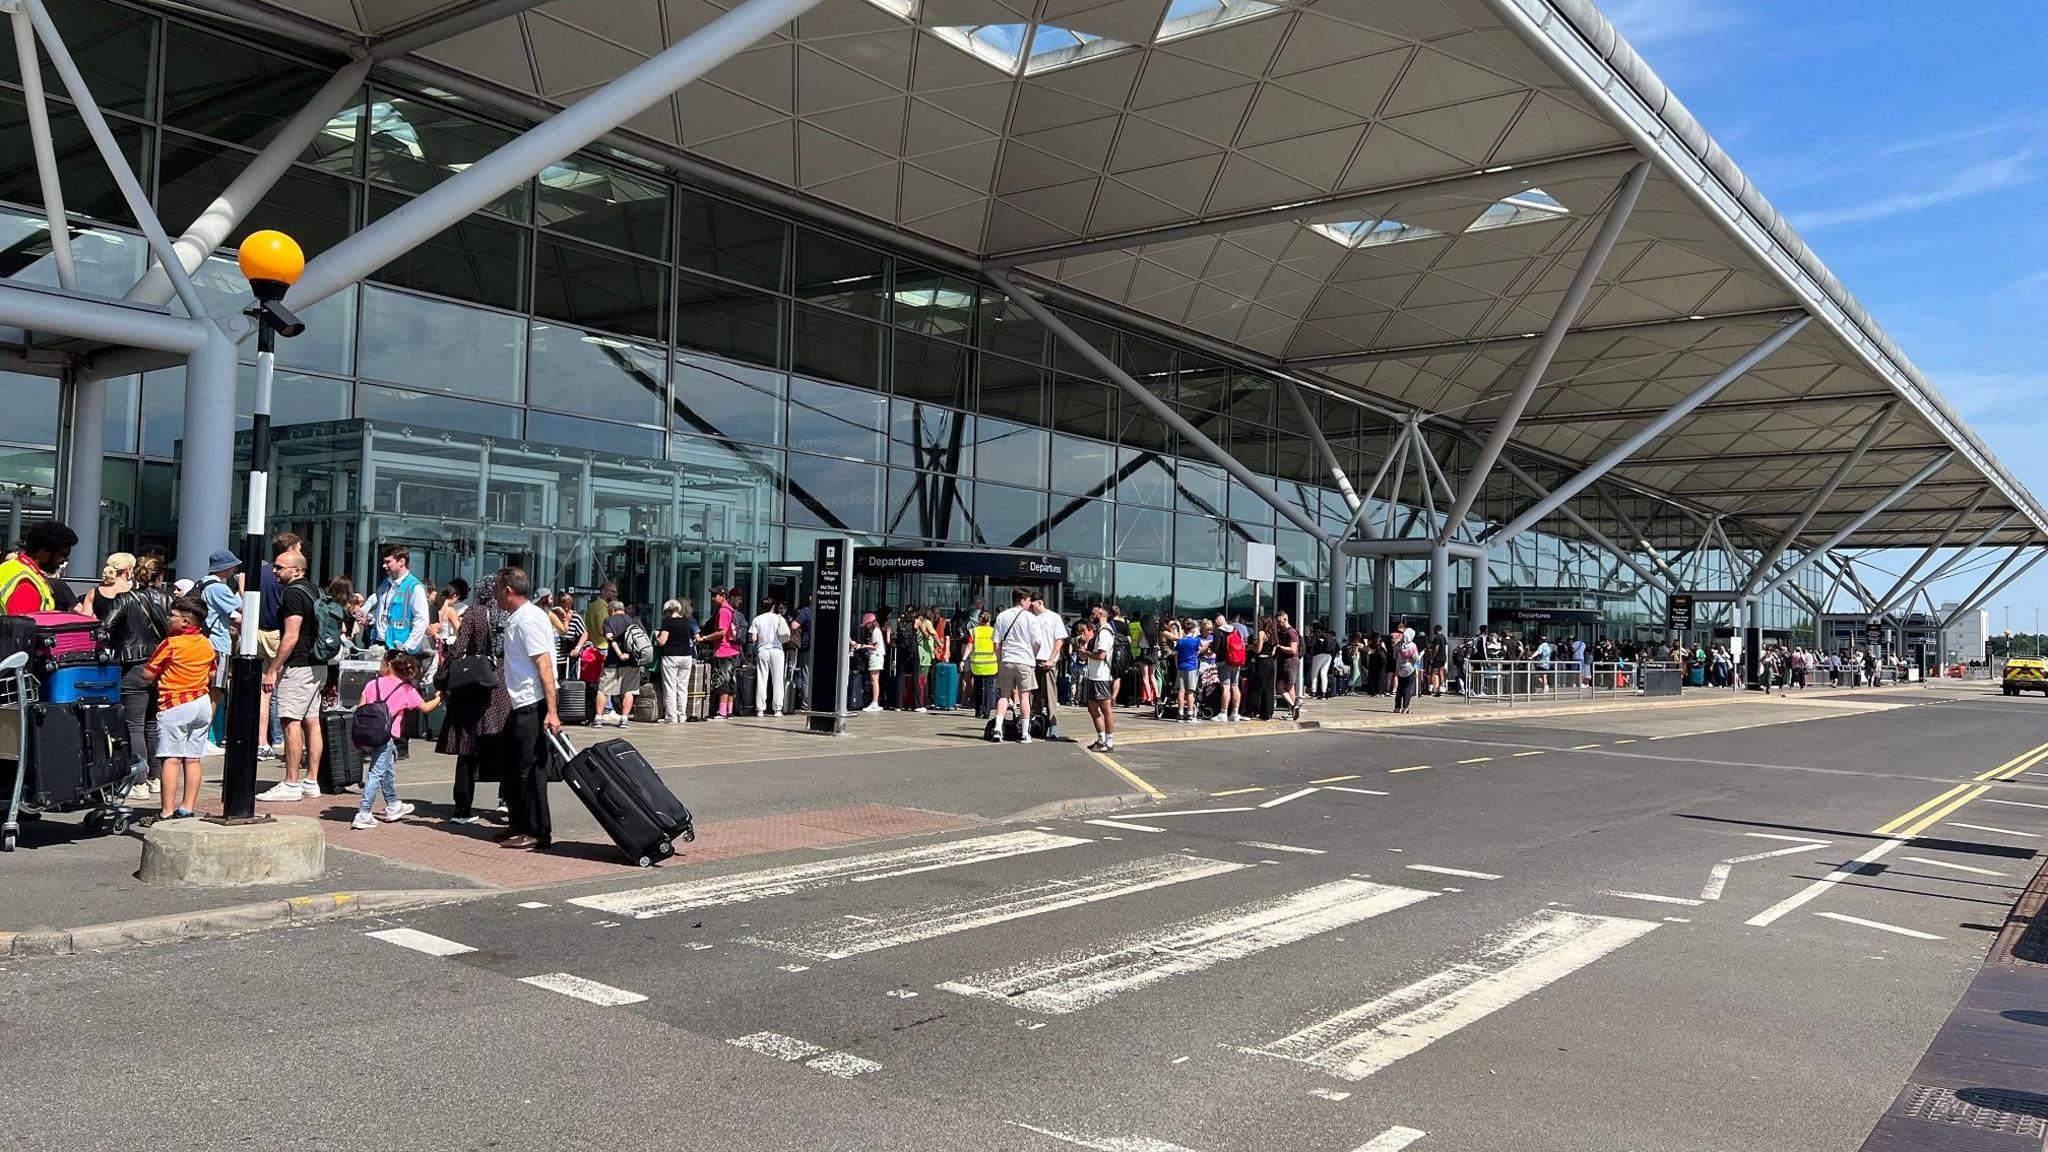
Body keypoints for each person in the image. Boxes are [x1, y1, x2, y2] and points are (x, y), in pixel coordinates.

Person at [493, 568, 559, 851]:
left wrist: (552, 711)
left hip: (532, 703)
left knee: (530, 769)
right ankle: (518, 823)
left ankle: (538, 831)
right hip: (519, 702)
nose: (494, 595)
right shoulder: (520, 618)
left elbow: (544, 665)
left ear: (508, 590)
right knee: (511, 767)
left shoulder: (528, 620)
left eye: (497, 589)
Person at [435, 572, 508, 824]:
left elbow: (458, 647)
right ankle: (505, 801)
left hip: (474, 683)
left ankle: (462, 808)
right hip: (502, 683)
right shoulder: (511, 614)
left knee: (467, 748)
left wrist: (443, 674)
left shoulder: (475, 614)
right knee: (503, 742)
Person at [139, 596, 215, 824]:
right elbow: (212, 674)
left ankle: (166, 812)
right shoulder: (206, 643)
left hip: (175, 704)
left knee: (171, 759)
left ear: (184, 622)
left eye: (172, 615)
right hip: (201, 702)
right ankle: (187, 808)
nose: (168, 618)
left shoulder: (171, 643)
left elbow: (147, 674)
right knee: (193, 759)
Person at [257, 549, 325, 802]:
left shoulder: (293, 594)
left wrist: (273, 669)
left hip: (298, 665)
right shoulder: (316, 590)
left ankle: (291, 783)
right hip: (318, 663)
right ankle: (311, 781)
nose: (274, 571)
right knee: (312, 720)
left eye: (279, 567)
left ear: (297, 570)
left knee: (290, 720)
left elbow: (291, 635)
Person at [349, 650, 438, 830]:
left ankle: (392, 804)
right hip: (386, 736)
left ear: (388, 665)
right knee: (376, 773)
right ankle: (364, 813)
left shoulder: (372, 684)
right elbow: (426, 708)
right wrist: (440, 698)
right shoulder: (406, 689)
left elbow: (360, 708)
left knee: (386, 769)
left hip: (368, 734)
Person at [107, 554, 172, 798]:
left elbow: (105, 628)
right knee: (153, 723)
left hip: (134, 665)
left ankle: (139, 780)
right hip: (162, 666)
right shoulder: (170, 600)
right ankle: (156, 777)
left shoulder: (125, 600)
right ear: (161, 576)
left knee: (134, 724)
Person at [193, 550, 244, 750]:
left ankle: (201, 736)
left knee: (206, 689)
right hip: (218, 644)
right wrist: (243, 587)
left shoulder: (202, 584)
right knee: (216, 690)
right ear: (224, 567)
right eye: (233, 566)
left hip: (205, 642)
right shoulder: (219, 589)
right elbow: (245, 607)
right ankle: (203, 737)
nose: (235, 570)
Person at [987, 588, 1037, 744]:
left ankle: (997, 729)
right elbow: (1037, 642)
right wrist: (1032, 655)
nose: (1030, 604)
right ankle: (1024, 733)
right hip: (1025, 661)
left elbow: (996, 642)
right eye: (1029, 600)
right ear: (1022, 600)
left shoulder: (1002, 616)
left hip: (1007, 660)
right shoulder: (1030, 618)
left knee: (1004, 695)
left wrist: (1000, 659)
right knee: (1024, 696)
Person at [0, 520, 76, 614]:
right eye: (64, 554)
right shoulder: (26, 583)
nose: (64, 560)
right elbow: (23, 626)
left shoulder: (8, 567)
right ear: (44, 551)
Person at [367, 545, 429, 654]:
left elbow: (421, 620)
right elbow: (383, 612)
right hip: (380, 643)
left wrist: (408, 646)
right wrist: (370, 619)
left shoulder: (414, 588)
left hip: (400, 646)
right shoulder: (385, 585)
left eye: (388, 562)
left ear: (401, 562)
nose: (384, 566)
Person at [595, 600, 643, 727]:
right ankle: (624, 719)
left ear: (611, 610)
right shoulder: (632, 621)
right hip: (632, 661)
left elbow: (611, 638)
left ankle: (598, 718)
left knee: (603, 690)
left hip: (613, 661)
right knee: (629, 690)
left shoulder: (608, 621)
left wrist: (619, 654)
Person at [1081, 605, 1118, 752]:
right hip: (1093, 675)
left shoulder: (1105, 633)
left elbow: (1101, 655)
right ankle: (1101, 738)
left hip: (1101, 676)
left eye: (1093, 613)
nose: (1091, 616)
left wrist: (1087, 653)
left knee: (1105, 709)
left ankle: (1108, 741)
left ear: (1101, 614)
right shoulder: (1100, 632)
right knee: (1092, 708)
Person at [1030, 593, 1065, 739]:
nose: (1031, 608)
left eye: (1033, 605)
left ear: (1040, 602)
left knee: (1050, 694)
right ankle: (1034, 724)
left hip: (1048, 660)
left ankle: (1053, 726)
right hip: (1034, 660)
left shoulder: (1054, 617)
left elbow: (1059, 640)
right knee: (1033, 694)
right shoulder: (1032, 618)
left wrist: (1051, 659)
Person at [656, 599, 697, 724]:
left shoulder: (668, 622)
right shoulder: (686, 621)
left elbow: (662, 641)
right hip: (686, 656)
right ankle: (682, 715)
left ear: (667, 611)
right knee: (683, 687)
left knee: (670, 687)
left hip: (671, 656)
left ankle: (671, 717)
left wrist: (657, 636)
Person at [706, 588, 743, 719]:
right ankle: (729, 711)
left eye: (715, 595)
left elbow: (722, 631)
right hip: (733, 650)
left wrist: (705, 638)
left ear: (723, 596)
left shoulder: (723, 611)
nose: (712, 598)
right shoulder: (731, 611)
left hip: (723, 650)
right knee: (731, 681)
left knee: (722, 681)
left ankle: (722, 712)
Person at [752, 597, 790, 716]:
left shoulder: (757, 619)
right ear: (773, 606)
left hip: (762, 650)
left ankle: (760, 709)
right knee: (778, 680)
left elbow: (753, 638)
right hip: (777, 650)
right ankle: (777, 709)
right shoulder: (779, 618)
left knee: (762, 679)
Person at [967, 610, 999, 719]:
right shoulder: (994, 631)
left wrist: (963, 659)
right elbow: (997, 648)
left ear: (979, 619)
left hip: (977, 665)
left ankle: (978, 711)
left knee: (978, 687)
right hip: (991, 665)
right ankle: (987, 712)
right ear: (989, 619)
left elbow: (969, 646)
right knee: (989, 689)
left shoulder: (974, 631)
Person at [1173, 617, 1205, 724]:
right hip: (1191, 666)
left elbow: (1176, 655)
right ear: (1193, 630)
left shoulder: (1180, 642)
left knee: (1180, 691)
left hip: (1181, 666)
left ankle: (1180, 713)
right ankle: (1190, 714)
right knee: (1190, 691)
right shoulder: (1196, 641)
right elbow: (1198, 652)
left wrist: (1177, 666)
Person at [1214, 612, 1244, 722]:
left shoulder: (1218, 632)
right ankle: (1235, 713)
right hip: (1236, 662)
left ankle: (1223, 712)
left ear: (1217, 622)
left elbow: (1215, 649)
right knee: (1235, 686)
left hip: (1224, 663)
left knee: (1226, 687)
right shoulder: (1236, 630)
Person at [1392, 629, 1420, 714]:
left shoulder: (1397, 645)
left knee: (1400, 688)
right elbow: (1415, 658)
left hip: (1400, 669)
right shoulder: (1412, 646)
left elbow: (1395, 656)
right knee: (1408, 688)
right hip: (1409, 669)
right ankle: (1405, 707)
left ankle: (1397, 707)